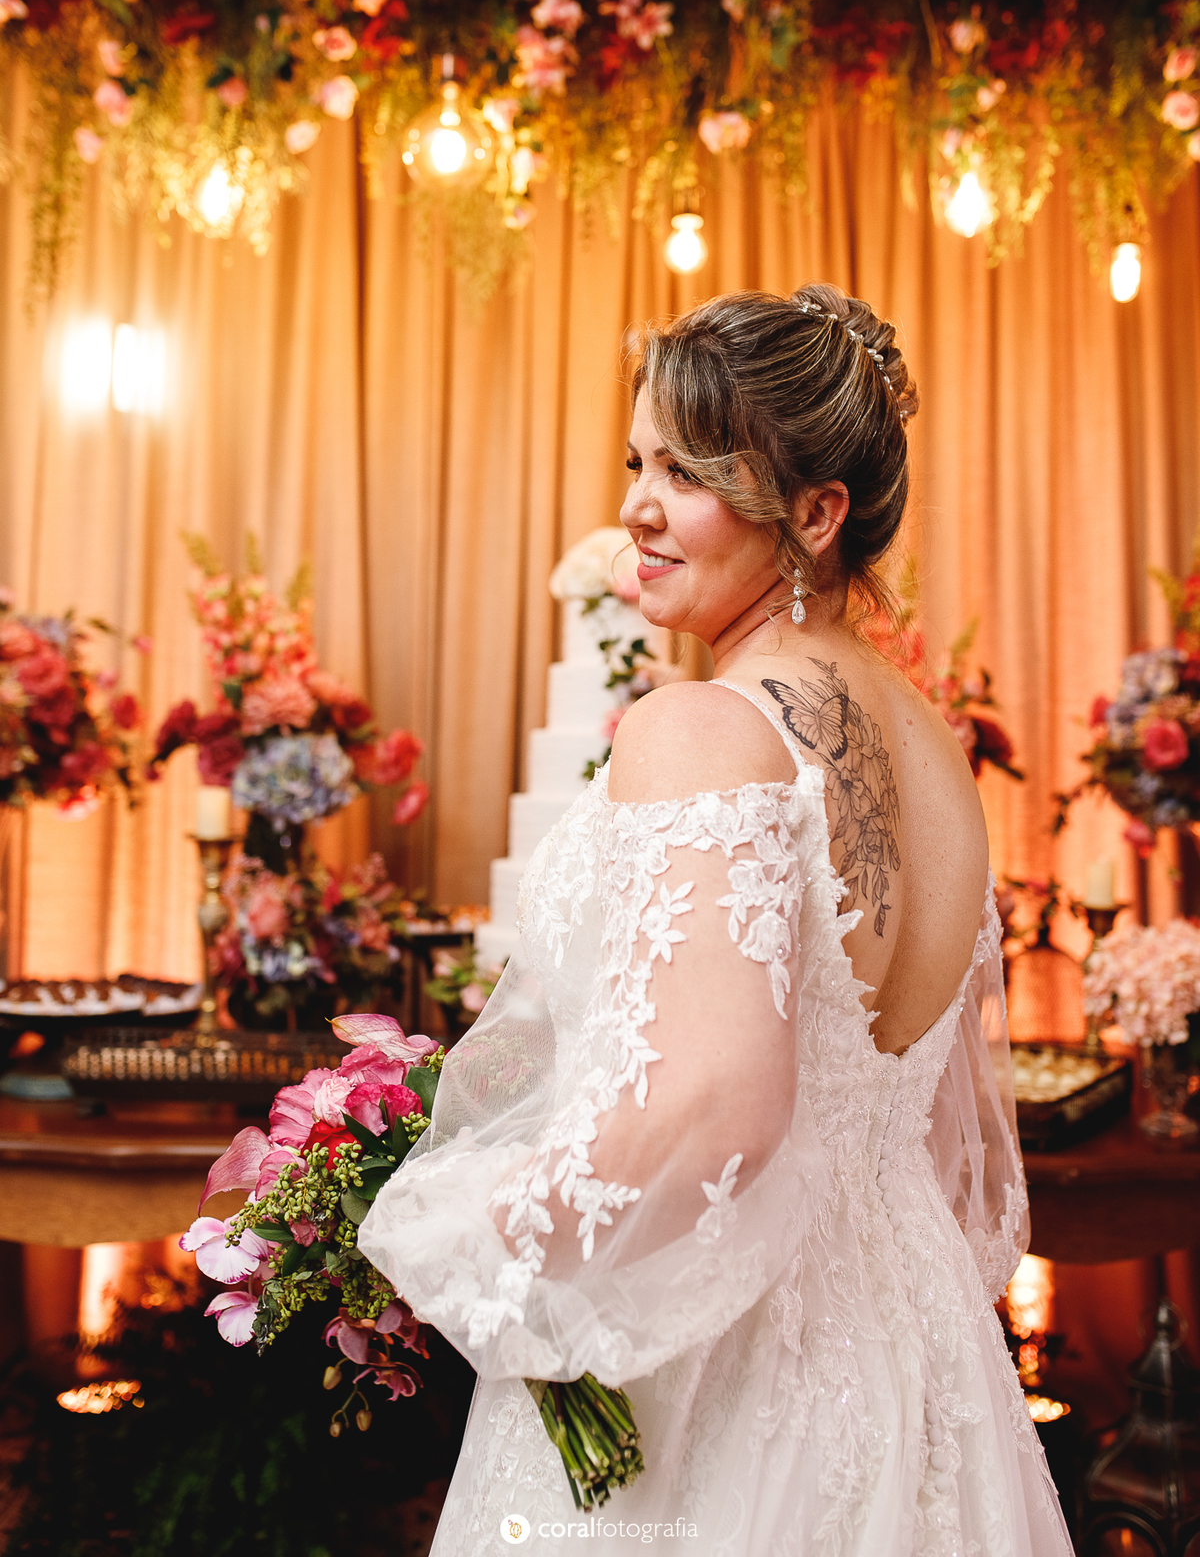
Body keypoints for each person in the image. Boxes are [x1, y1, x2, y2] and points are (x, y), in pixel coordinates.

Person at [359, 284, 1073, 1557]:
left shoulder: (699, 727)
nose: (636, 505)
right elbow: (932, 1138)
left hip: (736, 1375)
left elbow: (717, 1107)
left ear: (816, 513)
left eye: (686, 472)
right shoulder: (938, 755)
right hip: (917, 1354)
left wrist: (458, 1233)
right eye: (637, 461)